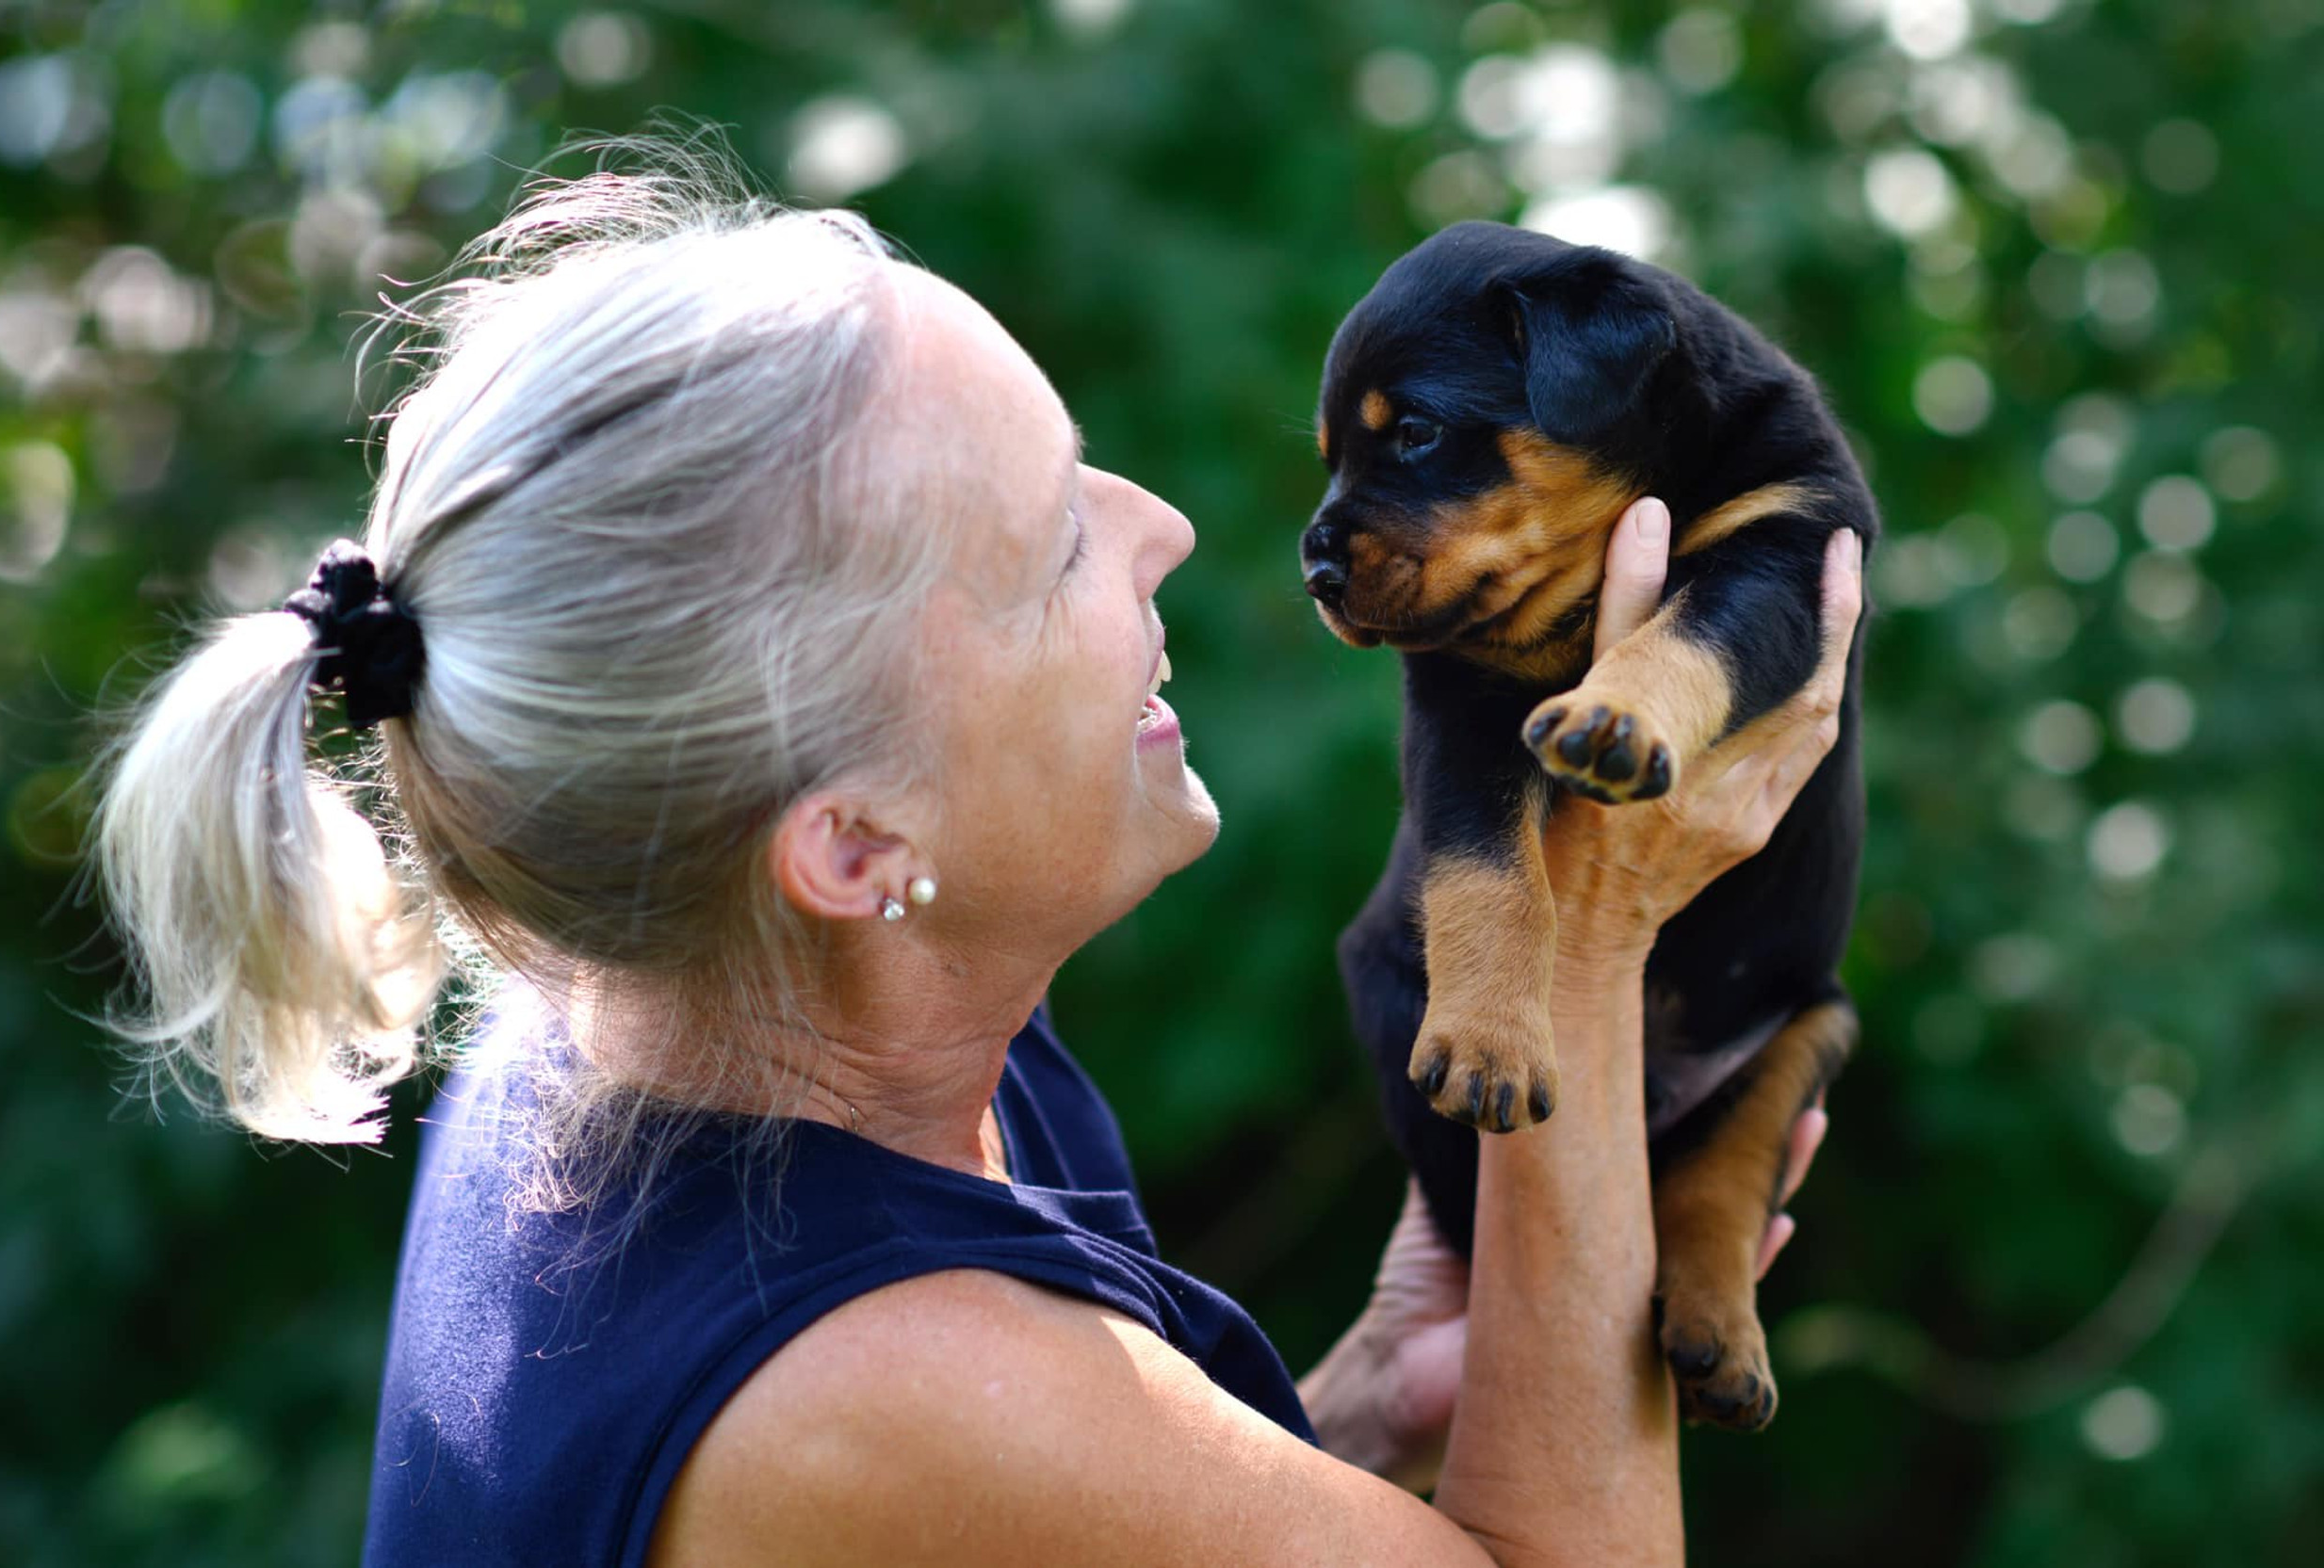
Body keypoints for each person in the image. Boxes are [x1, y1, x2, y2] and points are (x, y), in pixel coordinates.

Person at [94, 145, 1860, 1567]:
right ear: (857, 846)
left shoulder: (740, 1027)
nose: (1163, 530)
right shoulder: (873, 1370)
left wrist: (1365, 1406)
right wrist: (1580, 934)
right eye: (1049, 549)